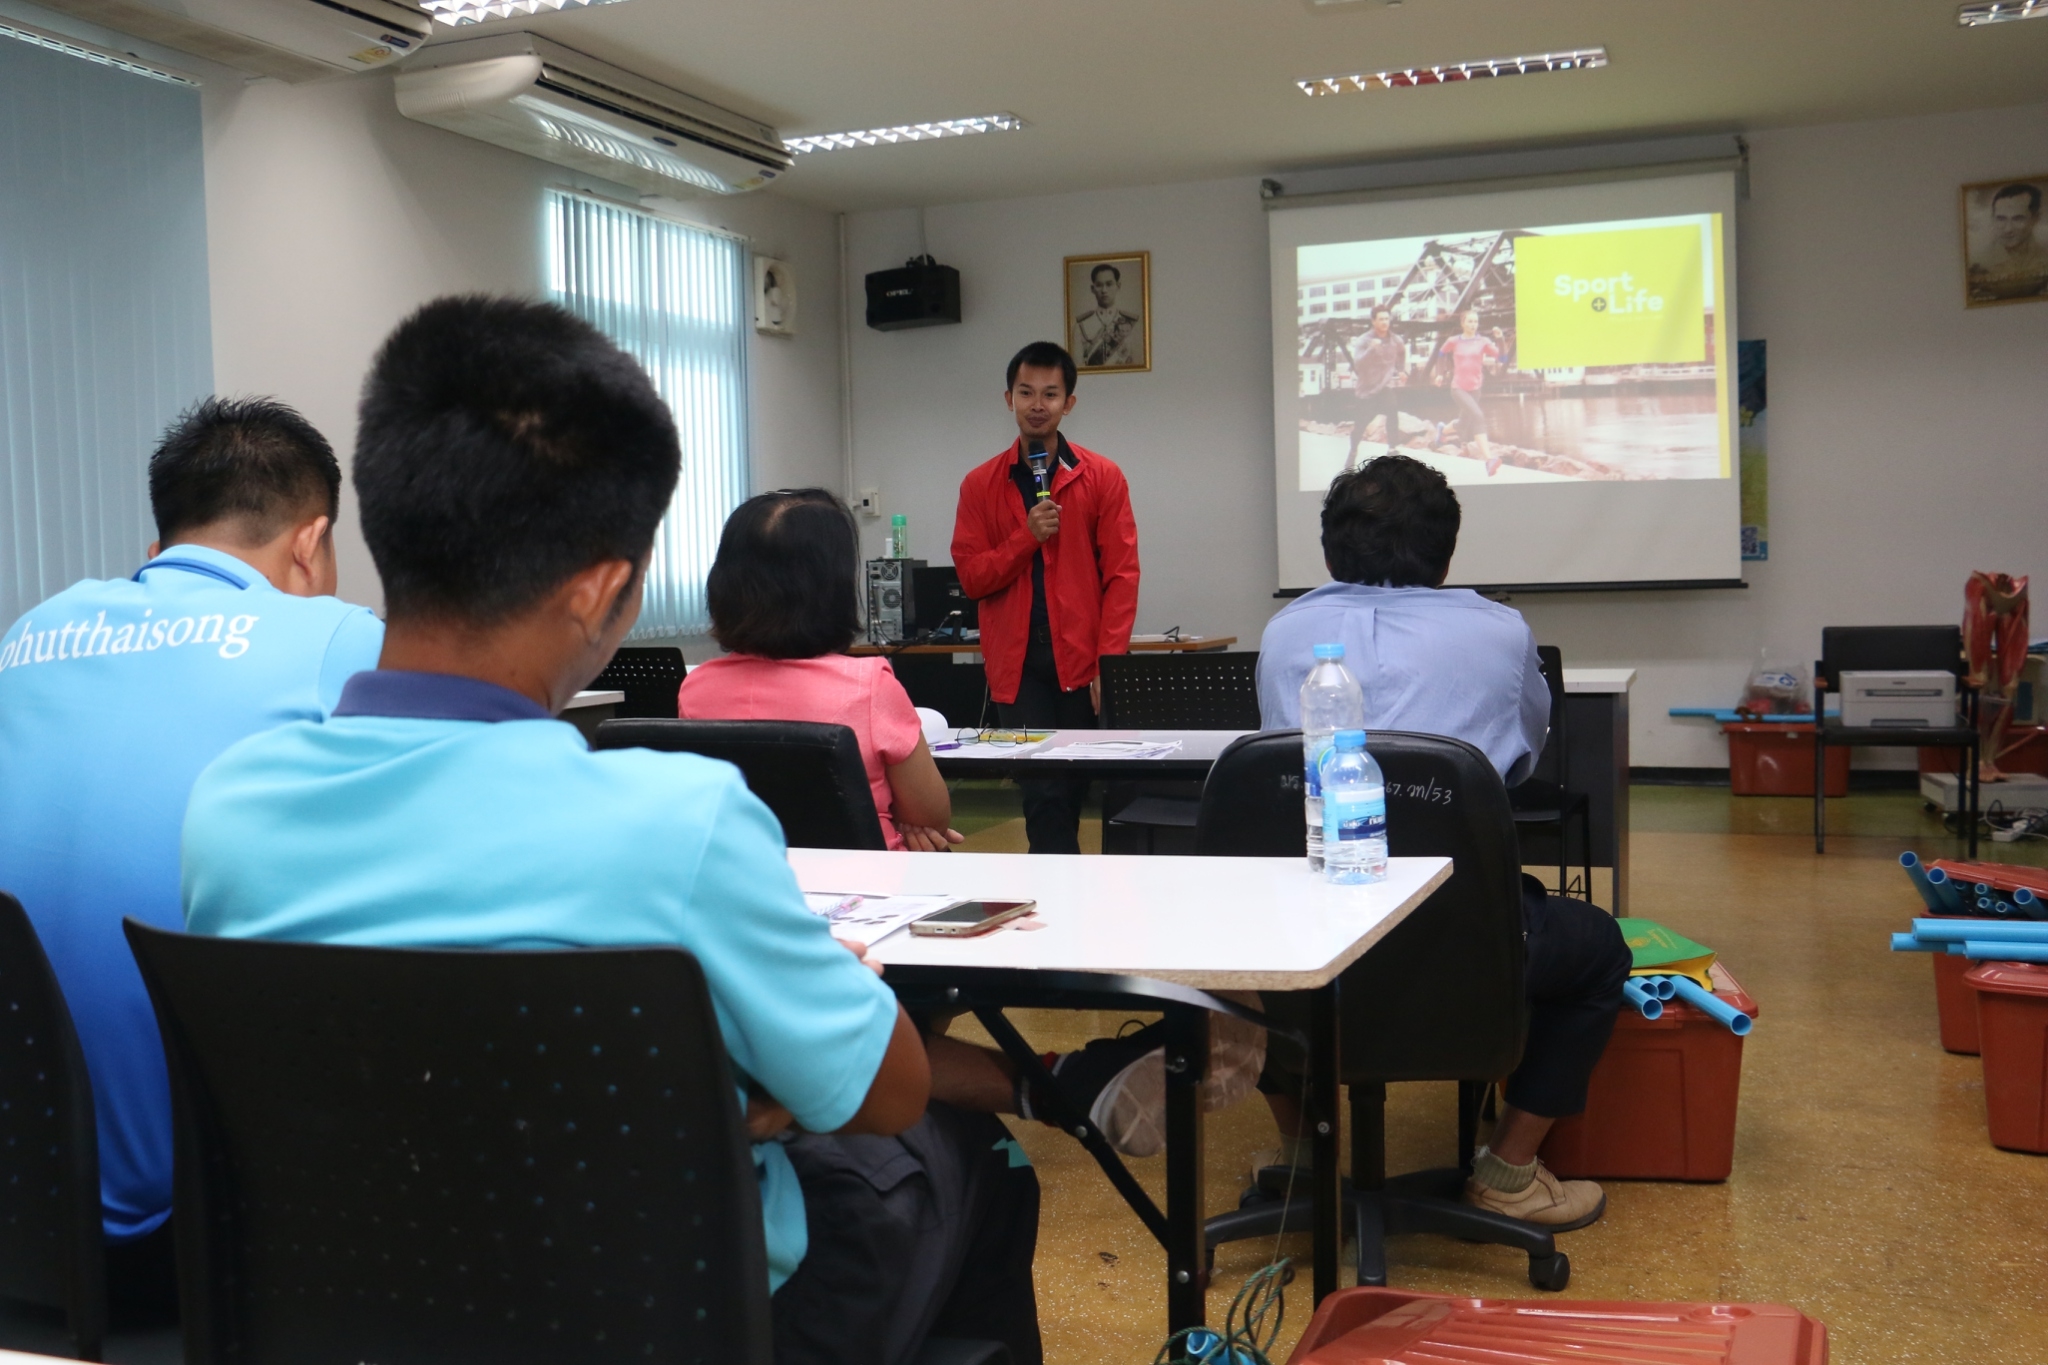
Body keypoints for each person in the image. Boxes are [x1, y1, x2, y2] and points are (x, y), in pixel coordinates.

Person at [178, 297, 1041, 1365]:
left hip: (356, 1311)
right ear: (599, 591)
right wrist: (805, 1024)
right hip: (666, 1318)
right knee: (970, 1158)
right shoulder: (677, 823)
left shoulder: (231, 806)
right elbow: (887, 1090)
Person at [0, 397, 384, 1308]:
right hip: (212, 1232)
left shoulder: (29, 633)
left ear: (161, 541)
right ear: (312, 543)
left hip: (28, 1211)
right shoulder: (340, 638)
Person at [1254, 454, 1631, 1230]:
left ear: (1329, 550)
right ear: (1446, 551)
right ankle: (1508, 1172)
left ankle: (1301, 1155)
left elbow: (1275, 770)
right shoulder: (1501, 633)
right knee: (1598, 950)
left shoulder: (1285, 634)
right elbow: (1518, 762)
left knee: (1239, 949)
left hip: (1303, 936)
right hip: (1463, 943)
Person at [679, 488, 962, 851]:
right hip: (868, 880)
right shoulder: (869, 686)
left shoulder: (696, 687)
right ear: (833, 586)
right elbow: (932, 817)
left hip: (748, 874)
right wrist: (906, 823)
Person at [952, 341, 1140, 854]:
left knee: (1078, 786)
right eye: (1026, 392)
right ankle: (1057, 885)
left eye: (1050, 394)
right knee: (1042, 792)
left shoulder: (1102, 477)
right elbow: (972, 578)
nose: (1038, 405)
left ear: (1068, 403)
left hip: (1081, 659)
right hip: (1018, 666)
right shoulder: (979, 485)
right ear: (1008, 399)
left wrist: (1108, 662)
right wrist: (1026, 538)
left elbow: (1122, 576)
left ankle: (1072, 883)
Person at [1436, 309, 1502, 476]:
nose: (1473, 325)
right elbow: (1441, 353)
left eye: (1475, 322)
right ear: (1462, 323)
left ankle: (1442, 431)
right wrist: (1439, 373)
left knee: (1463, 424)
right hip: (1458, 388)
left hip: (1475, 389)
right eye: (1470, 321)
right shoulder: (1454, 341)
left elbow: (1503, 358)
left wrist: (1500, 338)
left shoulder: (1483, 342)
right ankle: (1489, 460)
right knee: (1478, 416)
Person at [1345, 307, 1412, 468]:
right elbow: (1357, 364)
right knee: (1360, 425)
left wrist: (1401, 370)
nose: (1384, 322)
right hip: (1366, 389)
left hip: (1384, 386)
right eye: (1381, 319)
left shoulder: (1395, 340)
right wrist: (1371, 349)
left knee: (1392, 408)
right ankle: (1353, 451)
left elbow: (1401, 353)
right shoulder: (1364, 340)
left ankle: (1392, 448)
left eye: (1387, 319)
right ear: (1373, 321)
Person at [1968, 182, 2048, 302]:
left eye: (2018, 219)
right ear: (1993, 218)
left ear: (2035, 219)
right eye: (2001, 219)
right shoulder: (1978, 263)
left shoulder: (2044, 257)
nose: (2008, 229)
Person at [1073, 263, 1142, 368]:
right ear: (1092, 289)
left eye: (1109, 284)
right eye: (1099, 285)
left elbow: (1138, 363)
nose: (1104, 290)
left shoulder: (1132, 322)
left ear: (1118, 286)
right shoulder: (1081, 325)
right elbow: (1077, 366)